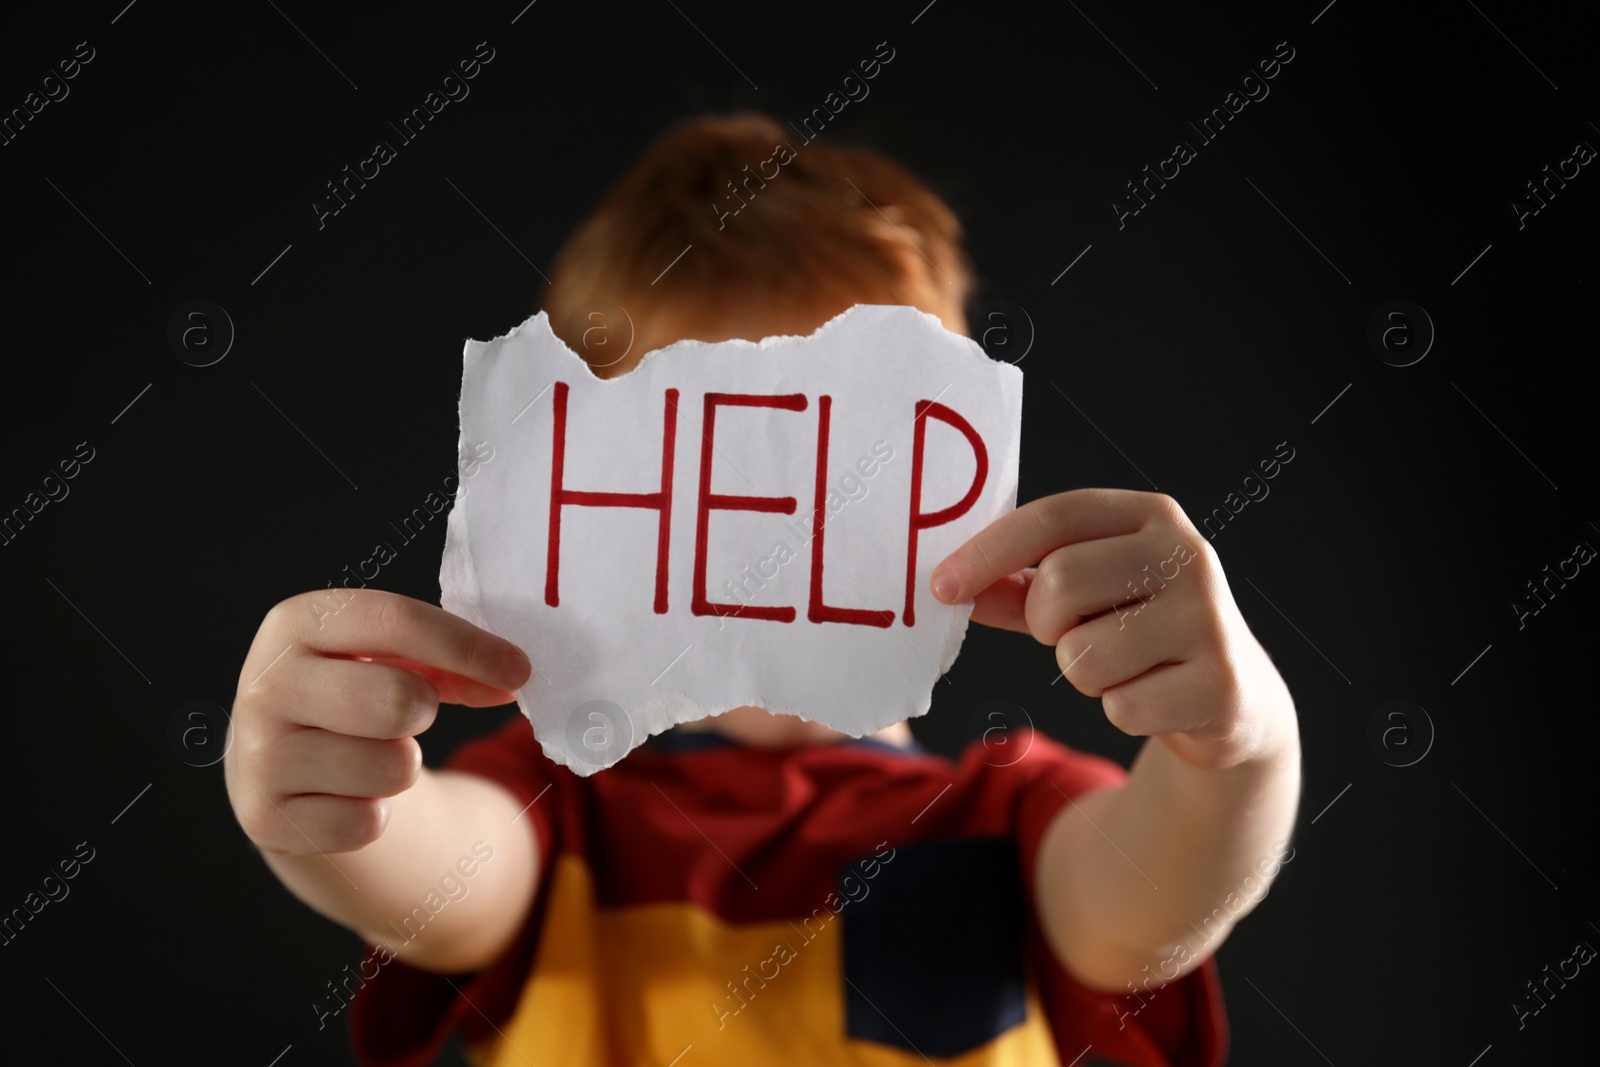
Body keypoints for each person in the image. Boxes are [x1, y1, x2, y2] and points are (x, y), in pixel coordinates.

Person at [224, 111, 1301, 1067]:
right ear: (584, 496)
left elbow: (1153, 893)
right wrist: (328, 790)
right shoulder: (556, 816)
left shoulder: (1003, 819)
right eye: (702, 463)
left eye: (845, 470)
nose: (767, 545)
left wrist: (1238, 748)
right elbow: (429, 870)